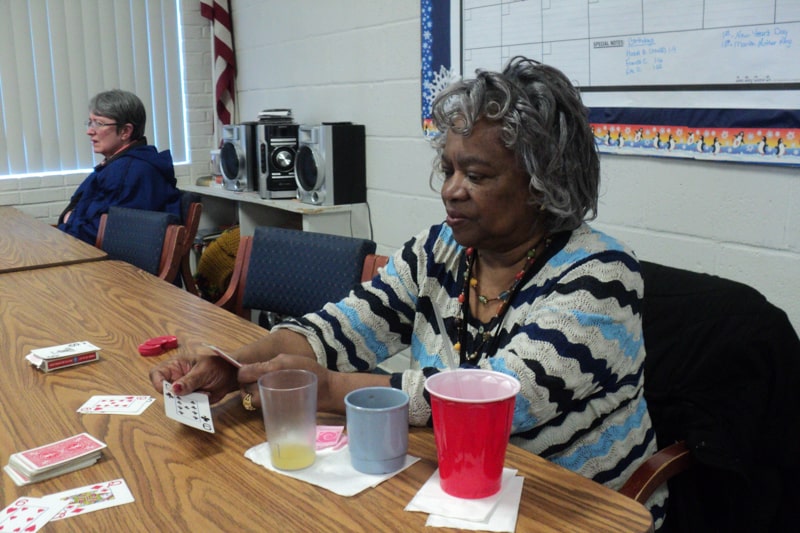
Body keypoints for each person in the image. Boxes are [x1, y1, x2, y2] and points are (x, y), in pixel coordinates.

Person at [150, 57, 666, 524]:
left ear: (543, 182)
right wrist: (235, 365)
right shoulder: (438, 249)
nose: (451, 189)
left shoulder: (601, 277)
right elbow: (338, 330)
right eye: (448, 169)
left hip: (570, 505)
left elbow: (499, 398)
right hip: (454, 488)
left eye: (476, 174)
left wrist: (327, 388)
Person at [58, 89, 181, 244]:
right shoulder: (119, 165)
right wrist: (70, 217)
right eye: (90, 122)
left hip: (117, 266)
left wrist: (70, 218)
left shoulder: (129, 172)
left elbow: (102, 235)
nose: (90, 131)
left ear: (125, 131)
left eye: (99, 123)